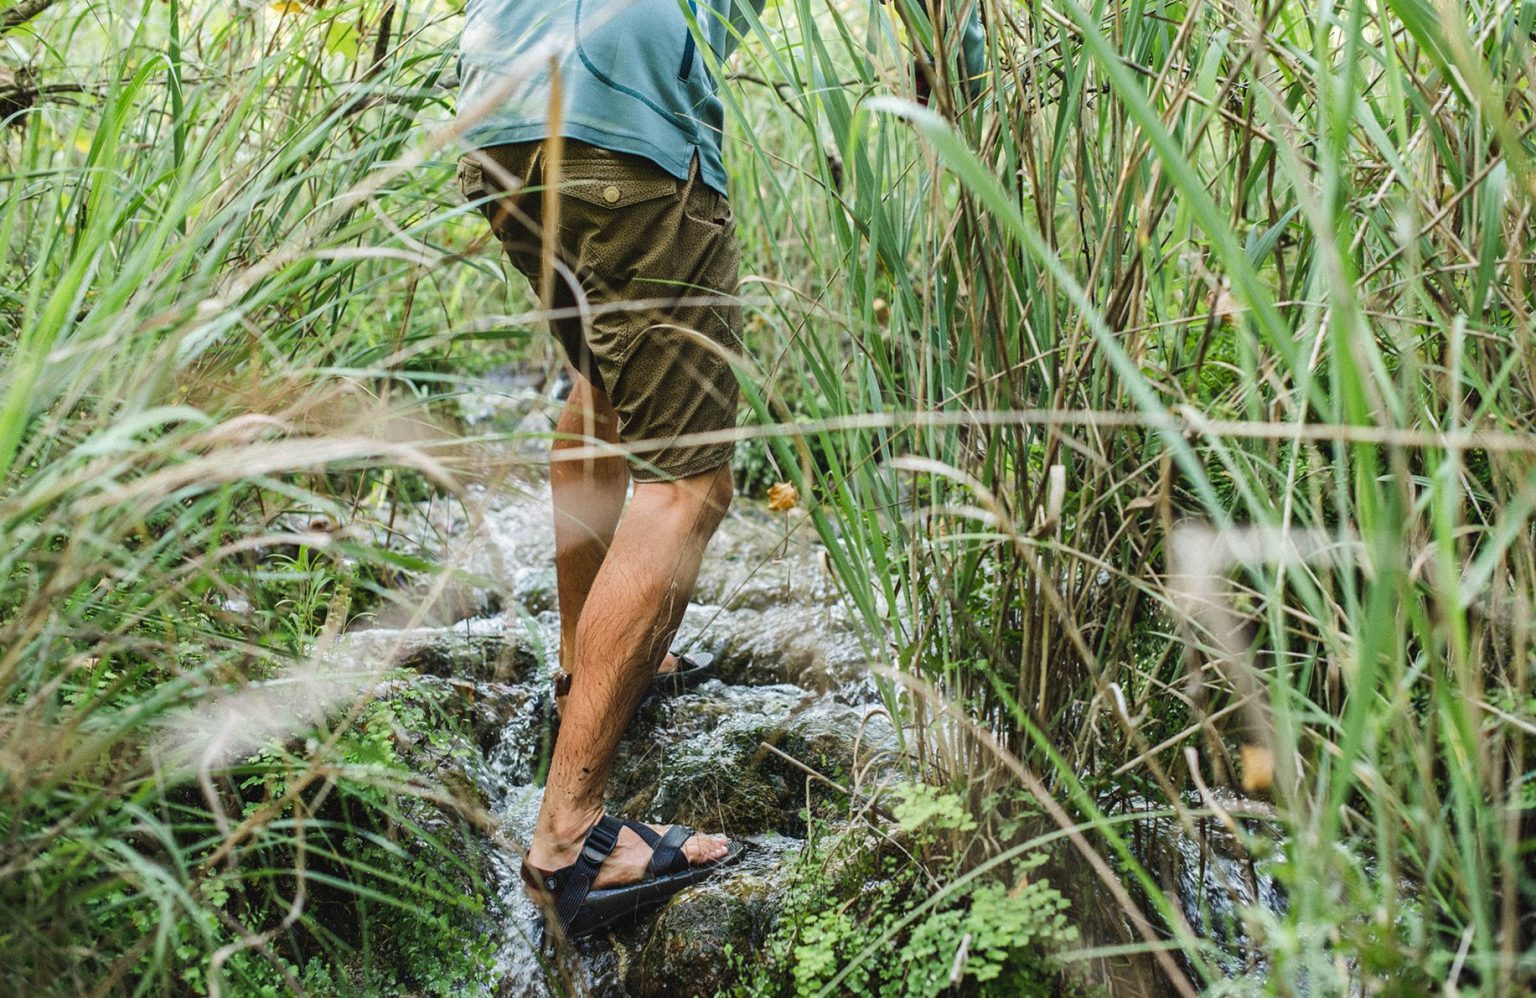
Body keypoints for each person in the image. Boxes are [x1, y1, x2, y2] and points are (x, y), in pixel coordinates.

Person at [455, 0, 985, 939]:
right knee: (689, 481)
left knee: (603, 387)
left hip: (498, 106)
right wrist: (964, 87)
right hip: (630, 113)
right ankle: (569, 839)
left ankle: (593, 669)